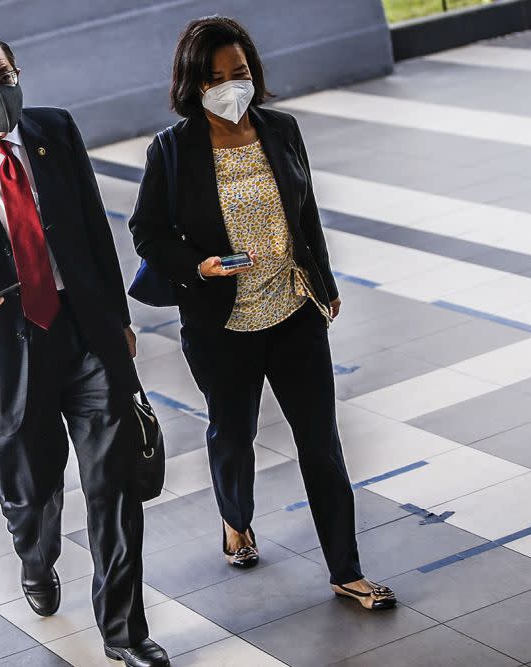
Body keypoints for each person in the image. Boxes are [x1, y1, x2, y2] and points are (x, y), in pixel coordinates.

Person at [0, 32, 169, 666]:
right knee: (34, 491)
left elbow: (92, 226)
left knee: (114, 485)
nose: (2, 93)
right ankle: (35, 556)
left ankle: (124, 634)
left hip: (83, 333)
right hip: (6, 349)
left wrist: (118, 320)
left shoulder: (56, 131)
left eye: (8, 76)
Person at [128, 17, 396, 610]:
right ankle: (237, 520)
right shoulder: (172, 149)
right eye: (216, 77)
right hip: (220, 324)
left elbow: (306, 214)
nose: (231, 86)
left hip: (293, 309)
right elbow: (146, 231)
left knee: (321, 443)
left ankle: (346, 570)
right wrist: (201, 266)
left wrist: (322, 282)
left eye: (240, 73)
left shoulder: (281, 130)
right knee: (234, 433)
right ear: (194, 84)